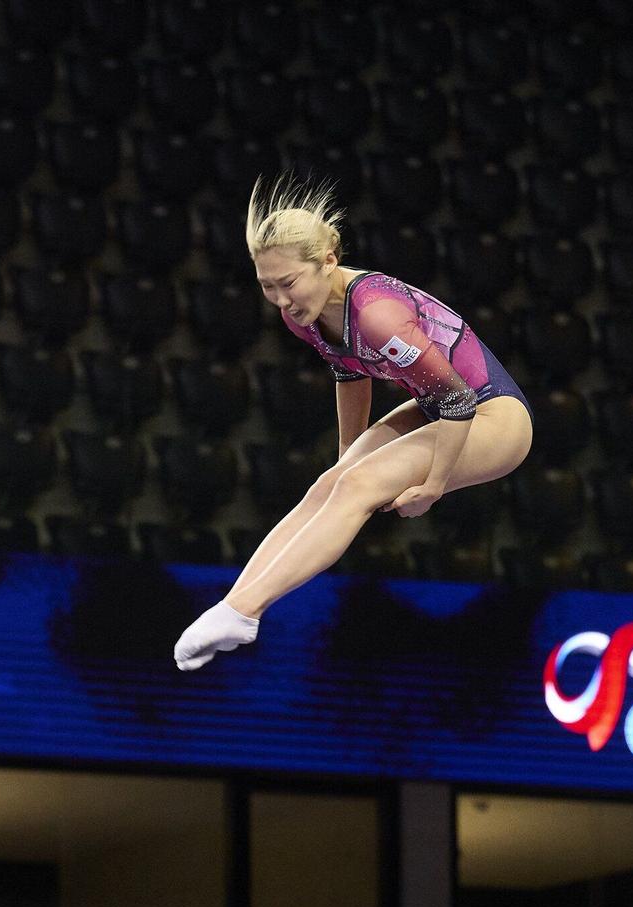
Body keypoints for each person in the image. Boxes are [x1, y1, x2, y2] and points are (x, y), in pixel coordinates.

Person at [172, 178, 534, 671]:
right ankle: (234, 605)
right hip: (437, 405)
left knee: (358, 486)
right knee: (329, 486)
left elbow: (457, 399)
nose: (281, 300)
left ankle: (244, 610)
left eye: (289, 283)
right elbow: (351, 375)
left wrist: (434, 485)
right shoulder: (304, 314)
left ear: (328, 261)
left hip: (493, 416)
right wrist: (347, 459)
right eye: (267, 286)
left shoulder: (377, 315)